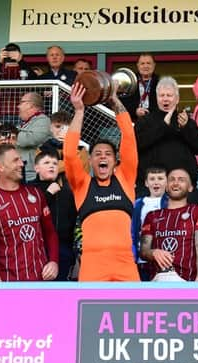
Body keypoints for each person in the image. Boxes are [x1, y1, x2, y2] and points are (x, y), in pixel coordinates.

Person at [64, 82, 140, 281]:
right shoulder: (82, 185)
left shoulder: (125, 179)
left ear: (115, 161)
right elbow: (69, 154)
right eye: (97, 154)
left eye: (108, 154)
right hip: (92, 265)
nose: (102, 157)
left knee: (133, 312)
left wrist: (115, 101)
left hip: (125, 263)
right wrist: (79, 111)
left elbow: (129, 138)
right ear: (90, 160)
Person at [0, 144, 59, 282]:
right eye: (15, 160)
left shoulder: (36, 194)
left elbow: (50, 232)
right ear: (0, 167)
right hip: (7, 282)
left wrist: (54, 261)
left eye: (20, 159)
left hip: (41, 279)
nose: (21, 163)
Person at [135, 76, 198, 201]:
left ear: (177, 98)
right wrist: (163, 126)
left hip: (183, 189)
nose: (165, 99)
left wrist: (186, 128)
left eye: (169, 95)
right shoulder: (145, 121)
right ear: (156, 98)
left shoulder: (184, 120)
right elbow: (137, 144)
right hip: (152, 189)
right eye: (162, 95)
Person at [140, 168, 198, 281]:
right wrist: (153, 252)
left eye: (181, 180)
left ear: (190, 187)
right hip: (157, 280)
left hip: (187, 280)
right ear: (166, 186)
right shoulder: (152, 216)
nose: (176, 183)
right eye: (172, 179)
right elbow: (143, 251)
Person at [28, 150, 77, 281]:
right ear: (36, 168)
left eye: (55, 163)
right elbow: (28, 215)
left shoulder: (67, 192)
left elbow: (73, 220)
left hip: (63, 248)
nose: (52, 166)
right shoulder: (29, 189)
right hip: (37, 248)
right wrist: (48, 195)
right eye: (46, 162)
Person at [131, 167, 168, 280]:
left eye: (160, 178)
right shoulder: (138, 204)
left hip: (162, 259)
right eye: (152, 179)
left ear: (166, 182)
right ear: (146, 183)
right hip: (142, 260)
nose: (156, 182)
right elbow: (132, 232)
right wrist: (133, 256)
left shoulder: (170, 202)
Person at [0, 43, 35, 125]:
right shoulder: (0, 67)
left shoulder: (24, 66)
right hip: (2, 113)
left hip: (22, 114)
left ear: (20, 54)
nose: (11, 54)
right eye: (9, 51)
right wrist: (0, 61)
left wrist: (20, 61)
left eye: (14, 51)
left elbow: (35, 81)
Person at [15, 92, 52, 181]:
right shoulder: (25, 124)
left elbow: (28, 139)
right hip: (22, 172)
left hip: (32, 175)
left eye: (21, 102)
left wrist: (9, 133)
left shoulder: (44, 121)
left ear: (30, 105)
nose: (18, 106)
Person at [121, 53, 159, 121]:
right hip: (132, 122)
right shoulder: (130, 82)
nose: (145, 66)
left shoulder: (161, 83)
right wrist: (135, 111)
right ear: (138, 65)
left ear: (154, 65)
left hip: (154, 123)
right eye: (142, 63)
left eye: (148, 63)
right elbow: (123, 104)